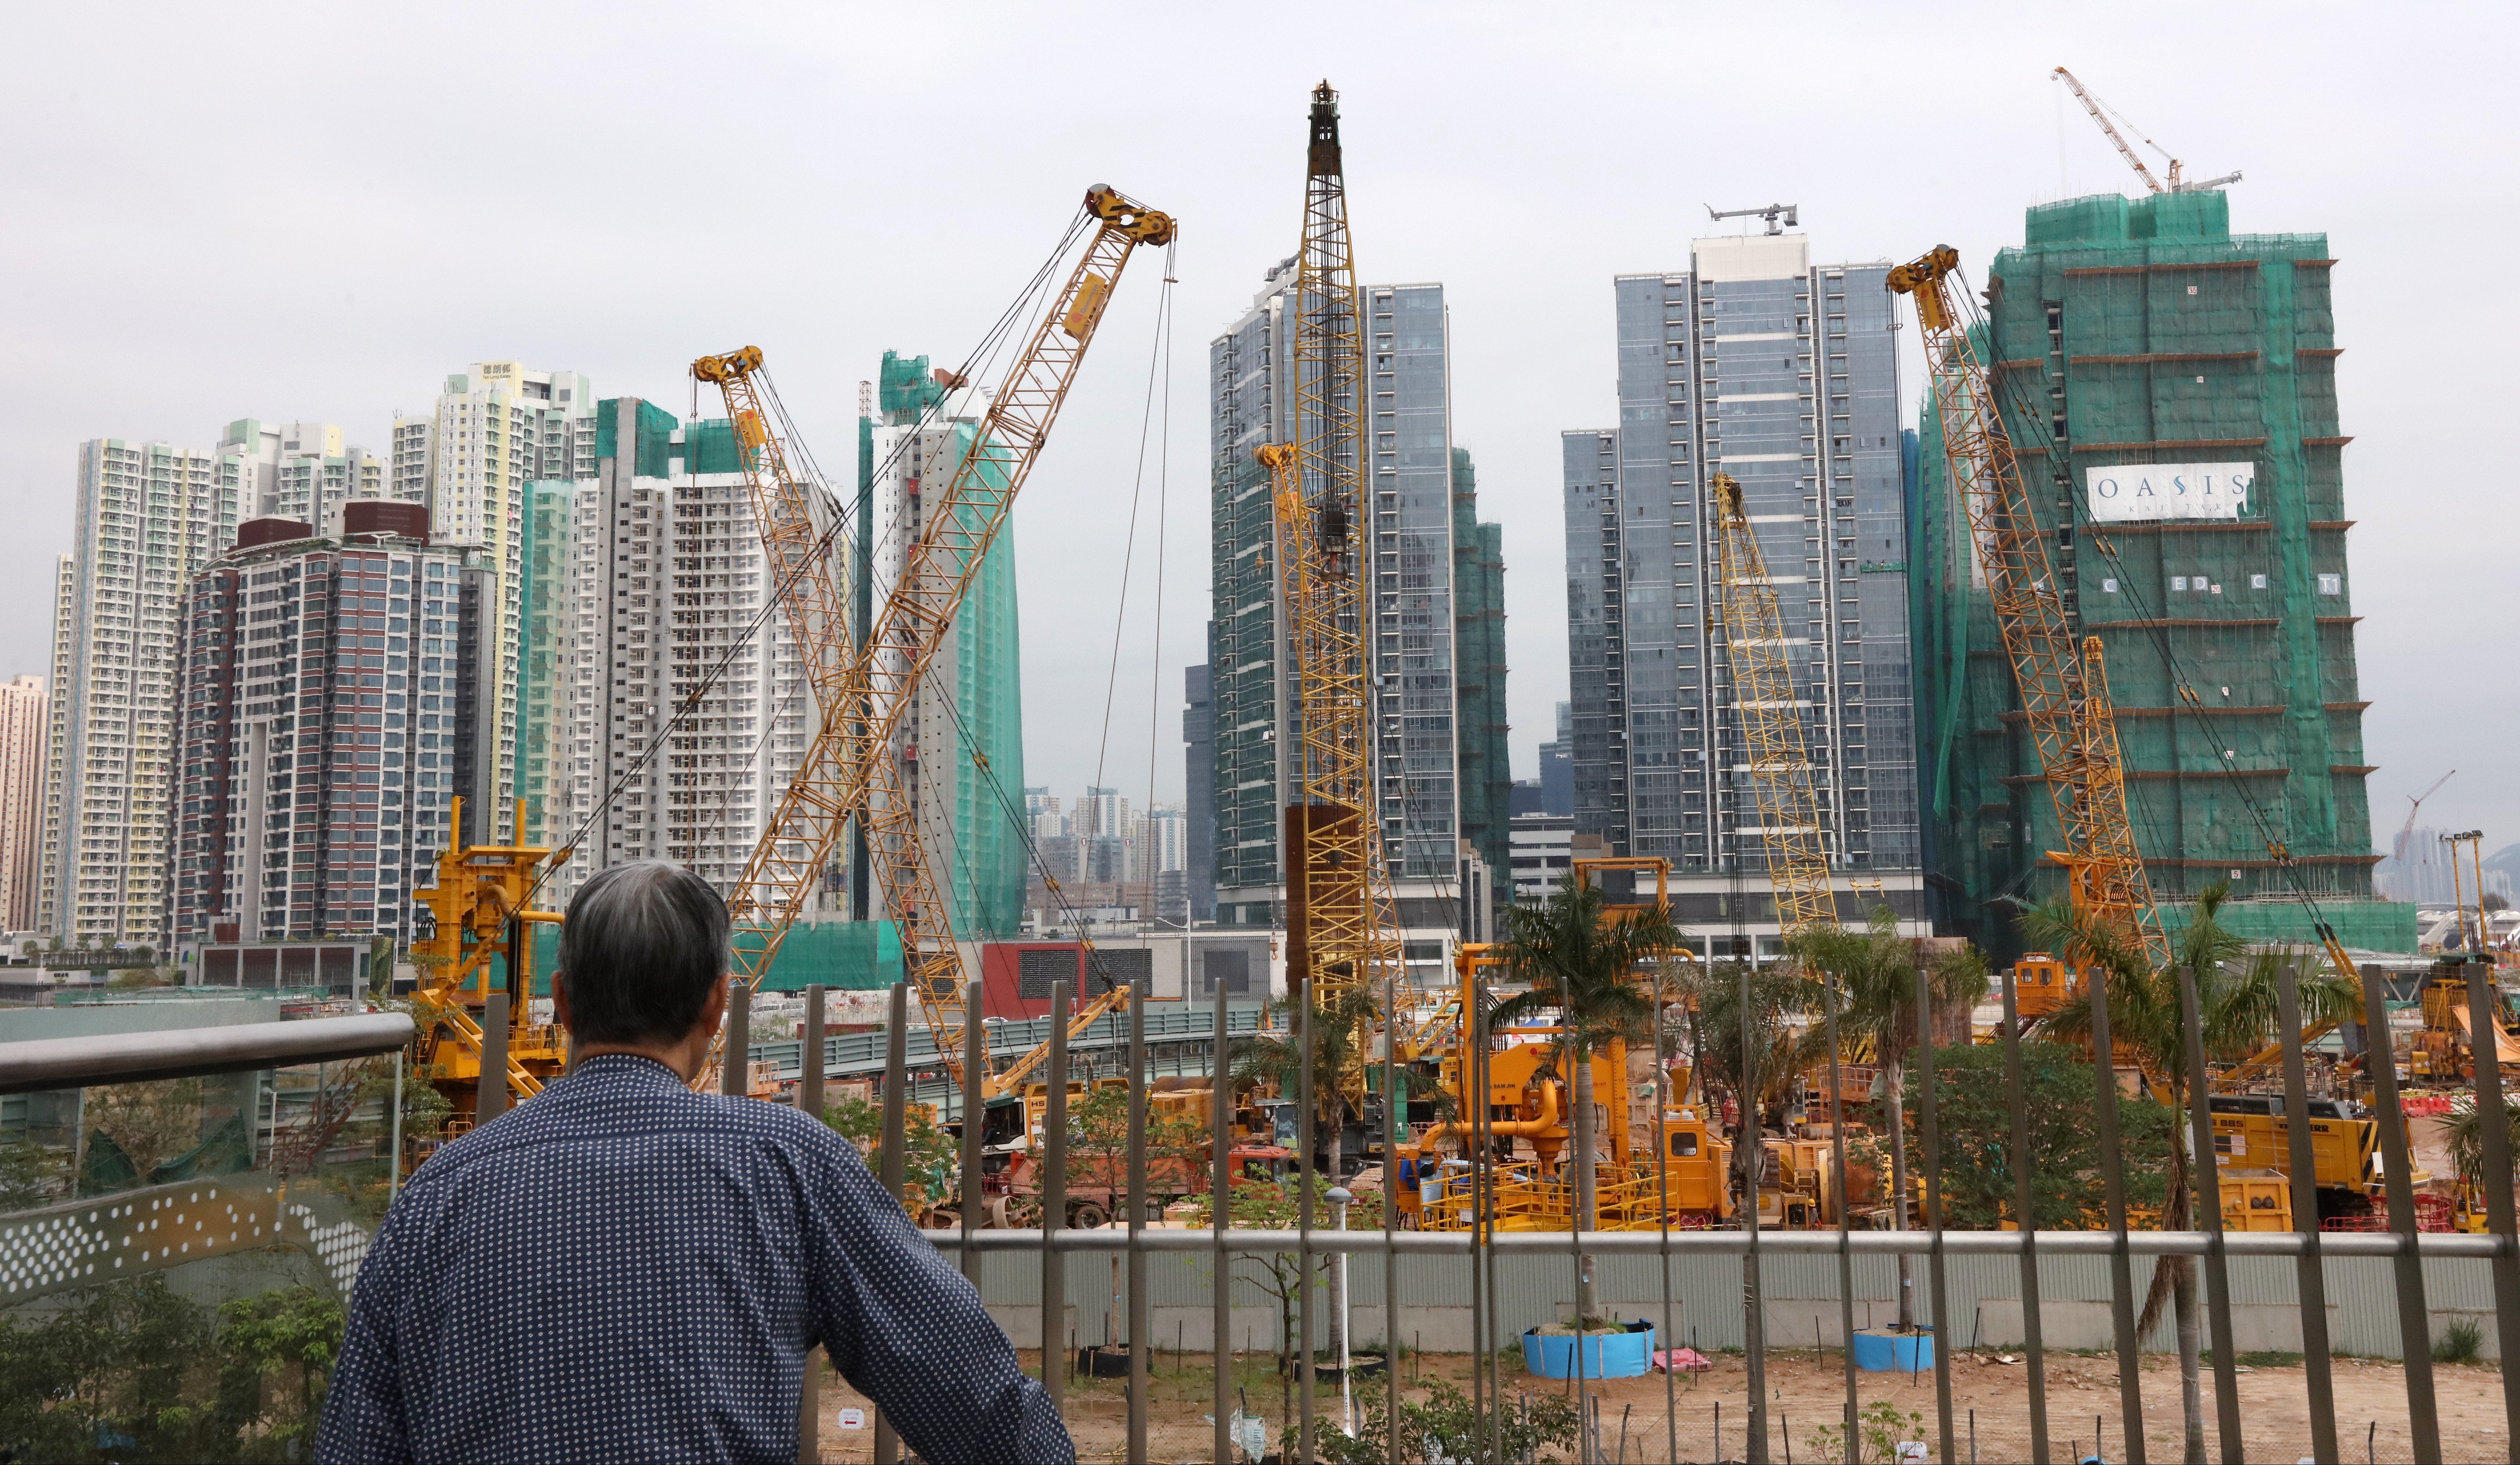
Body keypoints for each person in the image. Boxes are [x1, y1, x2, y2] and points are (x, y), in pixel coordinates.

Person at [317, 861, 1071, 1464]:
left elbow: (356, 1440)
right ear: (718, 1004)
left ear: (563, 1004)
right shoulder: (791, 1165)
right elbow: (979, 1401)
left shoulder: (434, 1197)